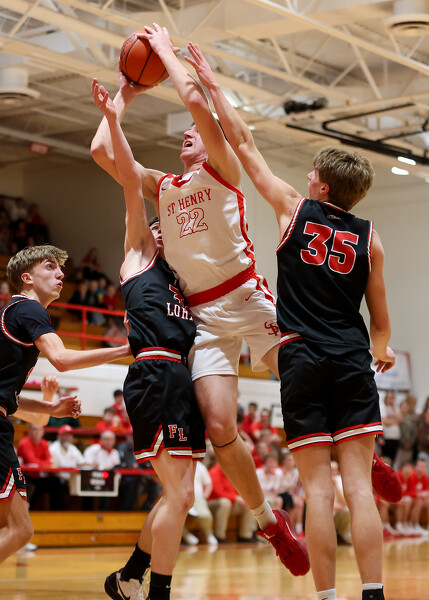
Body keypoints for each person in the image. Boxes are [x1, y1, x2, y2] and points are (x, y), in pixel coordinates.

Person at [91, 24, 309, 578]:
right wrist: (126, 95)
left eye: (196, 130)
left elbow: (195, 101)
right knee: (218, 426)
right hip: (203, 316)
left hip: (245, 294)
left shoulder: (223, 168)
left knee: (307, 379)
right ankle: (268, 521)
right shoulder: (164, 187)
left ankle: (365, 453)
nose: (188, 134)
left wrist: (165, 52)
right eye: (185, 134)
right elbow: (102, 152)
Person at [185, 43, 397, 600]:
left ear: (321, 187)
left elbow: (243, 143)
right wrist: (382, 349)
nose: (305, 177)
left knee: (318, 493)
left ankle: (326, 597)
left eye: (311, 174)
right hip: (350, 357)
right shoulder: (371, 238)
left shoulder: (292, 210)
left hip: (301, 357)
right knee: (359, 490)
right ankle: (373, 592)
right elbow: (380, 322)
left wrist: (212, 83)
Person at [92, 80, 206, 600]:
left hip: (181, 378)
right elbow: (126, 183)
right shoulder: (140, 255)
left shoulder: (183, 281)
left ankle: (129, 576)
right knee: (179, 495)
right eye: (158, 227)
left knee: (180, 495)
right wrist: (116, 115)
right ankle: (157, 591)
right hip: (155, 372)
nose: (163, 231)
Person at [0, 244, 130, 565]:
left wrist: (50, 409)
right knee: (19, 530)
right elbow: (61, 358)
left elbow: (9, 399)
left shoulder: (13, 313)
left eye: (60, 269)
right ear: (27, 278)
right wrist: (125, 348)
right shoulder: (29, 309)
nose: (60, 274)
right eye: (50, 267)